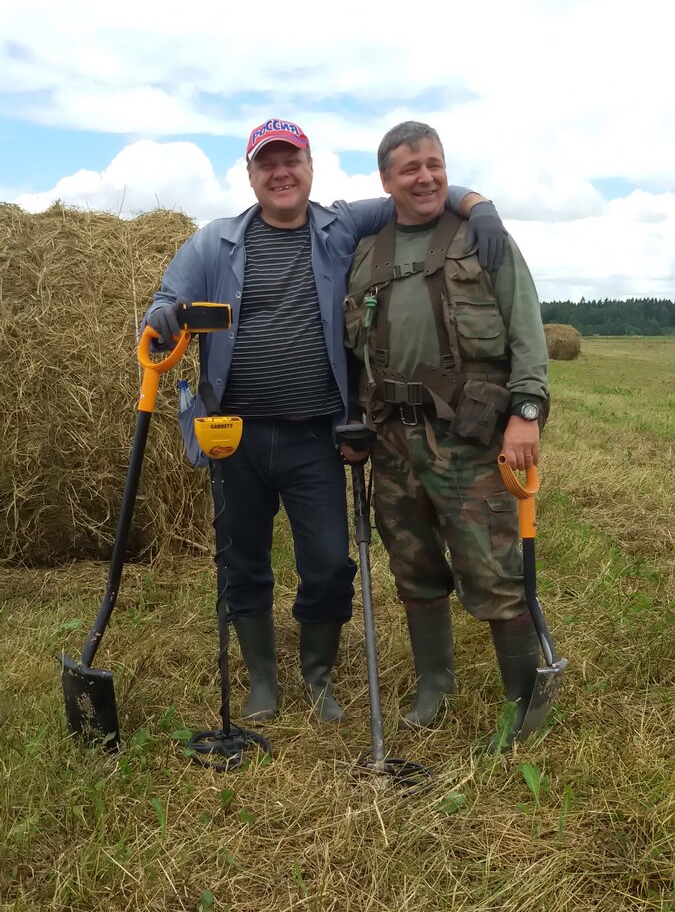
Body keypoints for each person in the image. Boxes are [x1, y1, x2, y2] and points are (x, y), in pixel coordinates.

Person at [143, 118, 508, 727]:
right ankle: (264, 680)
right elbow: (163, 300)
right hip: (235, 437)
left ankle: (316, 676)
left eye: (292, 161)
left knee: (330, 565)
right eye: (268, 164)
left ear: (310, 168)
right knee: (242, 560)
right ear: (252, 174)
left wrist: (482, 206)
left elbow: (416, 189)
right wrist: (166, 315)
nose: (281, 173)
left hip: (317, 435)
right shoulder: (215, 242)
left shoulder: (341, 225)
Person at [341, 120, 549, 750]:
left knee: (493, 569)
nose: (426, 177)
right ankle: (435, 684)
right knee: (414, 566)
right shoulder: (365, 254)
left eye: (434, 164)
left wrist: (527, 412)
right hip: (393, 445)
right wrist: (354, 420)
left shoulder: (482, 238)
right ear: (386, 181)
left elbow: (526, 326)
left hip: (470, 437)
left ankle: (522, 701)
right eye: (410, 168)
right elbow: (356, 353)